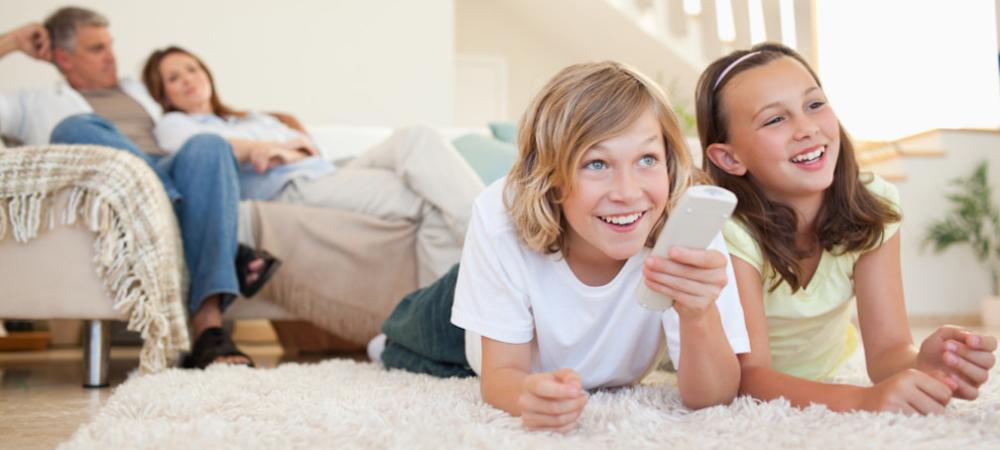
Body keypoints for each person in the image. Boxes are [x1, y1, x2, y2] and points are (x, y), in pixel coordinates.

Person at [371, 61, 752, 433]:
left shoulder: (684, 224)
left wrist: (699, 315)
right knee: (399, 344)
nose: (627, 192)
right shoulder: (500, 214)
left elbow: (713, 398)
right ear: (551, 176)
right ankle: (384, 341)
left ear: (669, 162)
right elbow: (500, 375)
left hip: (555, 338)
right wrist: (524, 396)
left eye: (647, 159)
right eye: (597, 164)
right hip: (474, 328)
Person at [695, 42, 998, 415]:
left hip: (827, 372)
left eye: (814, 104)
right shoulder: (730, 231)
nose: (806, 128)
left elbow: (888, 351)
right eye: (776, 119)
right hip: (733, 373)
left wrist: (923, 363)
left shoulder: (874, 204)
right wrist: (863, 400)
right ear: (729, 157)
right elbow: (751, 377)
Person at [0, 7, 279, 369]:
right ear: (62, 58)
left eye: (110, 44)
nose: (112, 56)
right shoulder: (32, 104)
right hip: (120, 187)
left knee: (210, 145)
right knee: (74, 127)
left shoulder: (136, 88)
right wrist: (11, 42)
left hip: (169, 171)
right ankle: (192, 221)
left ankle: (209, 328)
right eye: (97, 48)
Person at [141, 46, 484, 285]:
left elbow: (307, 149)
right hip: (292, 188)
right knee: (427, 200)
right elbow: (208, 152)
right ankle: (481, 261)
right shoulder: (174, 125)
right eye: (173, 78)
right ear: (163, 94)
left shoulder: (251, 117)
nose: (188, 79)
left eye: (192, 68)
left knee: (416, 137)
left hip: (327, 170)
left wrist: (282, 149)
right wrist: (265, 147)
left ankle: (487, 229)